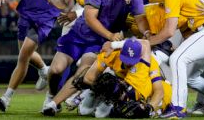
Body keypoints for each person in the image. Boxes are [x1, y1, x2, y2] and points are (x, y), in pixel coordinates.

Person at [42, 0, 148, 114]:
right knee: (55, 70)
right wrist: (111, 35)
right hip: (79, 34)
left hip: (99, 42)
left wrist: (146, 33)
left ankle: (53, 104)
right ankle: (51, 94)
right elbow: (91, 19)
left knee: (84, 71)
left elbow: (140, 19)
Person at [42, 38, 171, 117]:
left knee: (99, 113)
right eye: (126, 58)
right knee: (85, 108)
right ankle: (78, 97)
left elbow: (159, 90)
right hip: (120, 88)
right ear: (121, 52)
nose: (129, 63)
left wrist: (150, 107)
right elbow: (87, 79)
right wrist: (98, 86)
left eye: (132, 60)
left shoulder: (148, 63)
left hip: (136, 92)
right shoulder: (112, 54)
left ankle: (86, 98)